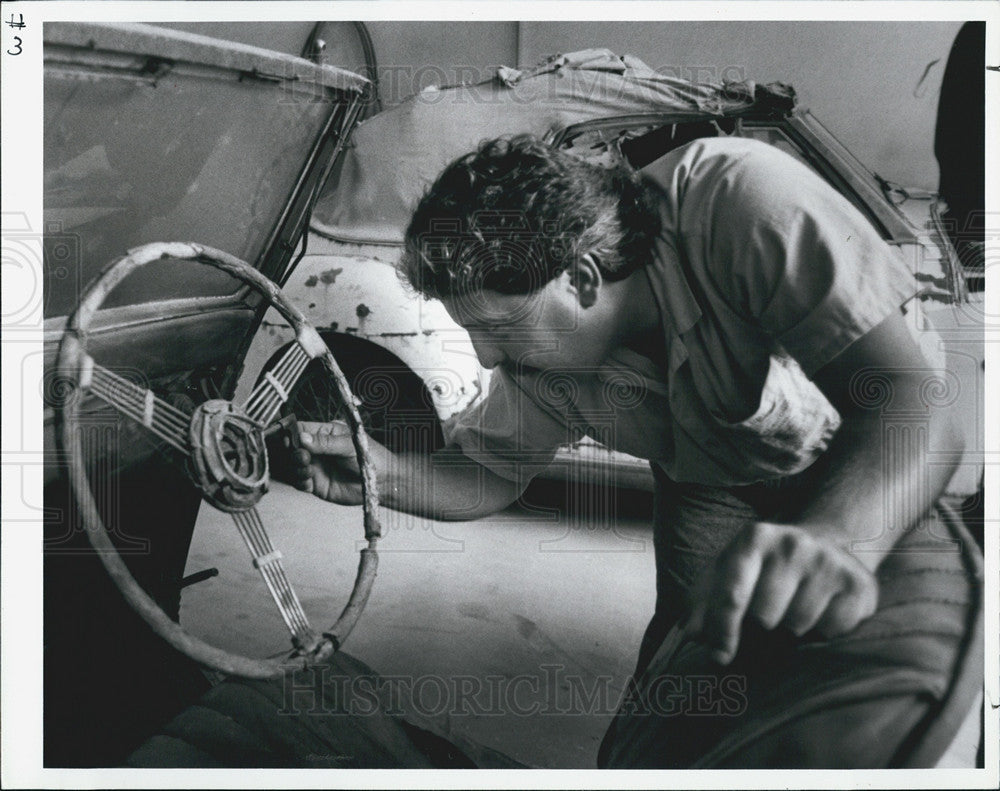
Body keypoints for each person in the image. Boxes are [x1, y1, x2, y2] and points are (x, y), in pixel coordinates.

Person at [289, 134, 983, 767]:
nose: (485, 354)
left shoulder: (741, 202)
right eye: (471, 331)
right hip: (705, 478)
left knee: (836, 693)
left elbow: (916, 401)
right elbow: (489, 472)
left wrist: (838, 536)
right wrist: (386, 474)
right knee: (682, 684)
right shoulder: (540, 358)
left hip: (857, 455)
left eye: (499, 326)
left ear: (583, 278)